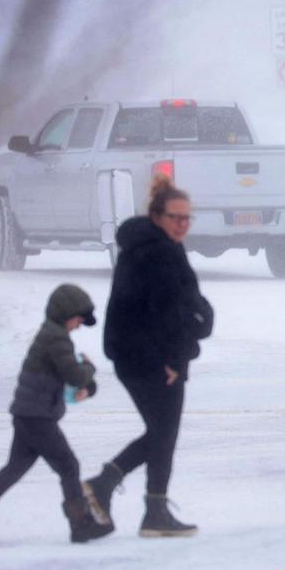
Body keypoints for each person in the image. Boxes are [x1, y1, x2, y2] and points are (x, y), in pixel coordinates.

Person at [83, 174, 214, 538]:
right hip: (150, 358)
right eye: (176, 217)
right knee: (162, 433)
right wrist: (172, 360)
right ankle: (117, 492)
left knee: (162, 433)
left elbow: (185, 307)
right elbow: (166, 314)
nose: (182, 224)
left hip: (137, 355)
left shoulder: (149, 246)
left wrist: (200, 320)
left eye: (187, 218)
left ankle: (146, 506)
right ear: (157, 216)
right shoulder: (157, 253)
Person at [0, 284, 113, 545]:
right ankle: (80, 524)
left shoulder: (51, 334)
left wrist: (86, 384)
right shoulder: (57, 338)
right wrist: (89, 369)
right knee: (69, 466)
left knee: (15, 468)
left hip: (27, 414)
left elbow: (64, 378)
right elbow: (73, 374)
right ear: (65, 313)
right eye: (78, 319)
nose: (79, 325)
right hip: (38, 418)